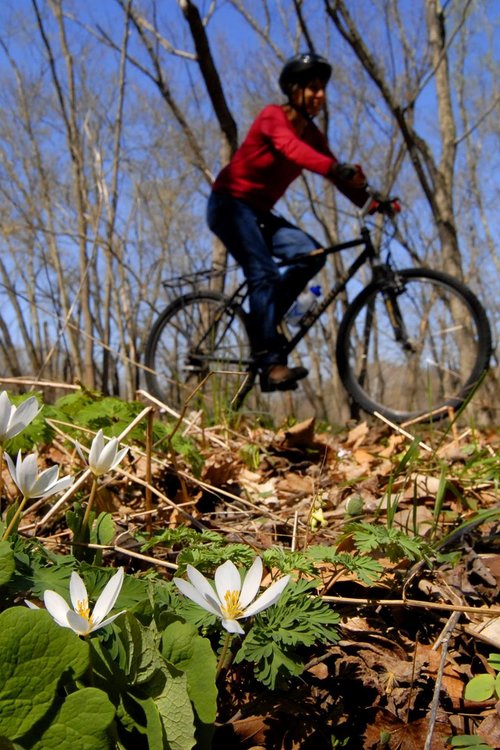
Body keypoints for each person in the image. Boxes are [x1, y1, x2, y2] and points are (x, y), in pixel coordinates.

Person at [207, 52, 380, 392]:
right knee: (264, 273)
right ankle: (269, 361)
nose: (320, 95)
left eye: (323, 89)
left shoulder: (313, 135)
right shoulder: (272, 117)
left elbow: (335, 171)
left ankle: (267, 320)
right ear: (293, 89)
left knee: (311, 253)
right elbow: (290, 149)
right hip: (228, 203)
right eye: (313, 88)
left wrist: (373, 201)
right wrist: (332, 167)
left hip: (258, 212)